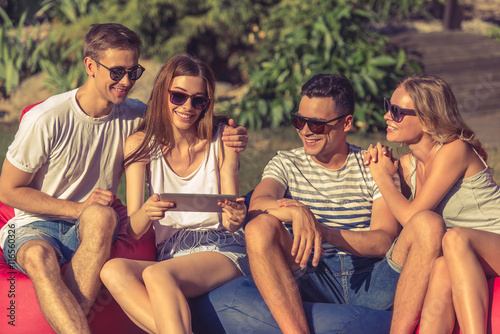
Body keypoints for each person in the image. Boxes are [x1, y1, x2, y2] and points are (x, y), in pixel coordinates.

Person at [0, 24, 247, 334]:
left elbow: (182, 116)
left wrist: (228, 129)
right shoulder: (46, 119)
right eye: (117, 72)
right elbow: (7, 190)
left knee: (102, 218)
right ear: (90, 66)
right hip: (33, 225)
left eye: (134, 72)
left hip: (95, 222)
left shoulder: (134, 116)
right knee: (39, 256)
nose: (127, 81)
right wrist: (77, 209)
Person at [99, 53, 250, 334]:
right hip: (171, 252)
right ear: (162, 94)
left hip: (220, 247)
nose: (188, 107)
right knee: (112, 270)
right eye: (178, 96)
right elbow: (133, 229)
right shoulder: (140, 144)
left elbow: (231, 222)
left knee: (156, 273)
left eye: (199, 100)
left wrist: (237, 215)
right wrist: (146, 211)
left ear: (207, 103)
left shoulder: (222, 141)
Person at [245, 73, 406, 334]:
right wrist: (298, 210)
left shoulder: (372, 165)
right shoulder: (286, 162)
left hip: (369, 279)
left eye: (317, 124)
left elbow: (384, 240)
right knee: (258, 228)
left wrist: (322, 231)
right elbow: (257, 204)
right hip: (311, 276)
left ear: (346, 123)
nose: (305, 131)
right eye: (299, 120)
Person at [363, 74, 500, 333]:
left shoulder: (454, 149)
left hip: (494, 242)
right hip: (462, 255)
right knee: (440, 267)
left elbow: (413, 218)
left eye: (397, 111)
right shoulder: (406, 167)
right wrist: (387, 173)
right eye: (387, 107)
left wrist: (383, 179)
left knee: (454, 240)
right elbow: (399, 229)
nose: (386, 117)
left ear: (426, 120)